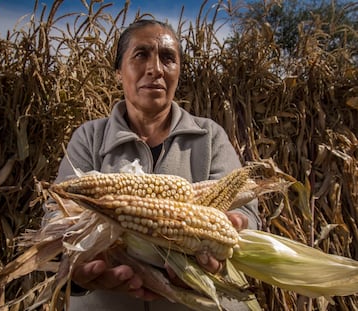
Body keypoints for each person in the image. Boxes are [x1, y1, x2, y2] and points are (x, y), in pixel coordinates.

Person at [54, 19, 261, 311]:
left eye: (168, 58)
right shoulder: (89, 137)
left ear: (178, 71)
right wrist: (78, 271)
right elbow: (60, 218)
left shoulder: (210, 136)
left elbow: (244, 211)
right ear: (118, 73)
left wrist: (234, 230)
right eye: (141, 55)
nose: (156, 69)